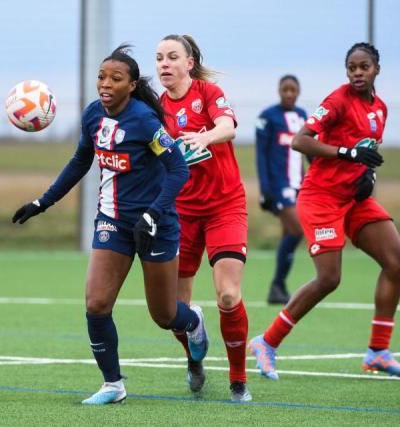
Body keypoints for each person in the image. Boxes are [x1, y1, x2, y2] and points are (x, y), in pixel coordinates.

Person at [12, 45, 207, 405]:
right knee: (97, 303)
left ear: (131, 85)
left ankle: (192, 322)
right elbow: (79, 162)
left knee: (164, 316)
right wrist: (43, 201)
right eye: (102, 76)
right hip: (112, 222)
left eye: (115, 79)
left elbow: (178, 170)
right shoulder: (92, 117)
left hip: (155, 225)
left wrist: (154, 213)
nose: (105, 84)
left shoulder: (146, 121)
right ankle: (113, 385)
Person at [249, 42, 400, 379]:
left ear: (376, 69)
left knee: (397, 262)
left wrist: (368, 175)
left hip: (353, 199)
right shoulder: (337, 101)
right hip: (320, 198)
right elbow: (301, 141)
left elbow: (368, 152)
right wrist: (348, 154)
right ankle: (266, 342)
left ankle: (378, 352)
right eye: (352, 67)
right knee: (329, 278)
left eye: (363, 67)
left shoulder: (380, 109)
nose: (357, 73)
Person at [156, 34, 251, 401]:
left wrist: (205, 137)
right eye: (159, 58)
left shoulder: (208, 94)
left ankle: (238, 379)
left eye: (172, 57)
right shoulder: (155, 107)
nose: (164, 64)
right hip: (180, 213)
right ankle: (194, 356)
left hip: (225, 207)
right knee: (172, 310)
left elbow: (228, 126)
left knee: (228, 296)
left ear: (189, 63)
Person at [255, 75, 308, 305]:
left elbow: (310, 152)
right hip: (278, 187)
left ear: (298, 92)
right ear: (279, 91)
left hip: (300, 186)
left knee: (289, 234)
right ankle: (277, 284)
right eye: (285, 89)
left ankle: (278, 289)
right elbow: (261, 155)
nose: (288, 93)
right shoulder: (267, 117)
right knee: (297, 230)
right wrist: (265, 189)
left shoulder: (303, 116)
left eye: (292, 90)